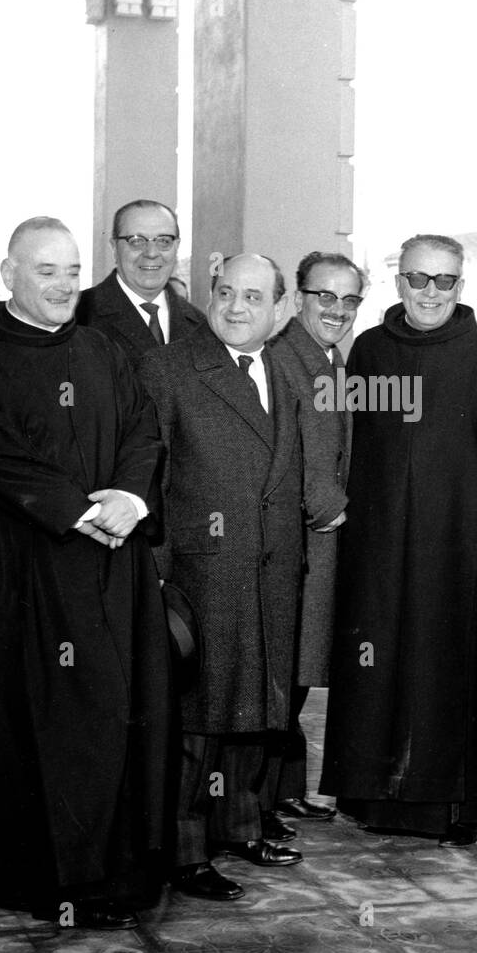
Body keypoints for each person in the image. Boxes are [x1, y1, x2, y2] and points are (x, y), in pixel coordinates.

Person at [0, 217, 171, 953]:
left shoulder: (103, 351)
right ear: (8, 273)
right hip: (2, 576)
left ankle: (77, 884)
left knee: (87, 725)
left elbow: (144, 431)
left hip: (98, 573)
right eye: (46, 270)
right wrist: (82, 510)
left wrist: (131, 495)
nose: (61, 285)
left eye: (71, 269)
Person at [320, 234, 477, 845]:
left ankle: (451, 807)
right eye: (417, 279)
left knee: (447, 664)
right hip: (377, 545)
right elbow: (346, 442)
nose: (429, 293)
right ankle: (370, 797)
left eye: (444, 281)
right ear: (398, 281)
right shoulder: (370, 351)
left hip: (456, 543)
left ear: (460, 286)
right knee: (375, 660)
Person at [139, 253, 330, 900]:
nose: (236, 306)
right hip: (201, 577)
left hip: (274, 574)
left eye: (254, 296)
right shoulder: (170, 369)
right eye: (225, 293)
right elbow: (150, 480)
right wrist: (159, 585)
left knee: (260, 712)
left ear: (279, 311)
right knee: (201, 720)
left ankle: (239, 824)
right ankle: (185, 853)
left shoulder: (286, 369)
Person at [267, 251, 364, 827]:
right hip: (301, 543)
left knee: (297, 680)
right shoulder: (283, 359)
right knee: (281, 678)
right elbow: (291, 452)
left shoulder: (330, 361)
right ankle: (260, 803)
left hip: (319, 546)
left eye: (349, 299)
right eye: (324, 296)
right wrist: (337, 511)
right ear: (298, 297)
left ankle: (281, 792)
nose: (337, 309)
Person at [75, 198, 205, 358]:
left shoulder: (201, 326)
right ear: (114, 247)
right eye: (136, 241)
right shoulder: (76, 316)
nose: (151, 253)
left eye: (164, 241)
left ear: (176, 246)